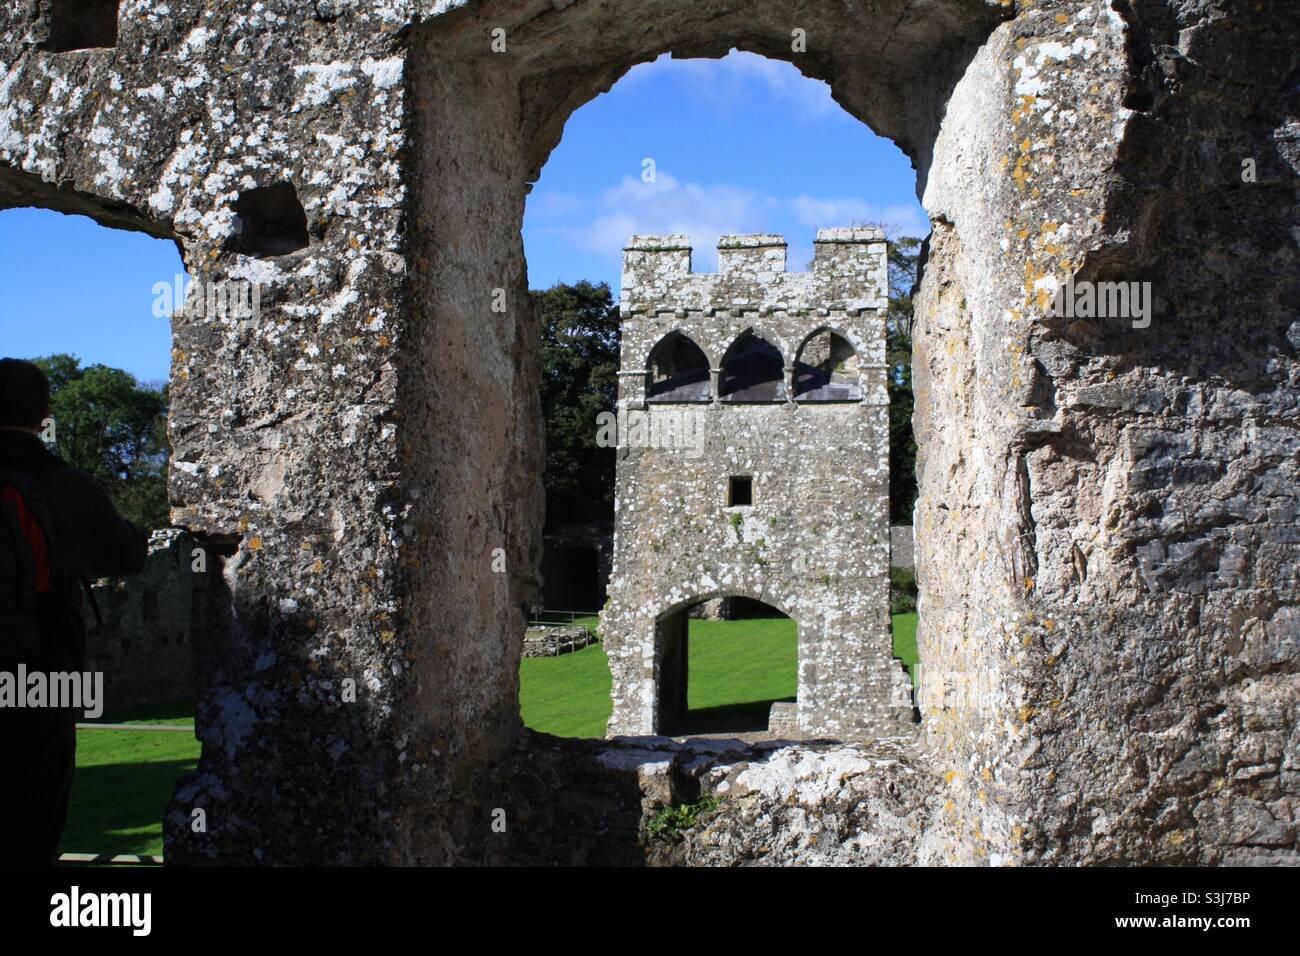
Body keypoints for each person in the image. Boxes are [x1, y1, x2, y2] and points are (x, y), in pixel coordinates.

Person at [0, 357, 148, 866]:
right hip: (37, 679)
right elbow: (126, 553)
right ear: (44, 415)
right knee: (30, 831)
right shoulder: (62, 483)